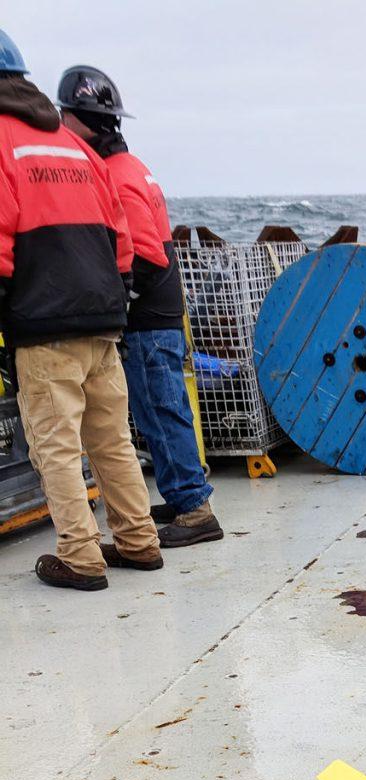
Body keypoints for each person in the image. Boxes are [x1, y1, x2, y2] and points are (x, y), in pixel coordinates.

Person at [0, 31, 161, 590]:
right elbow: (121, 235)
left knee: (58, 446)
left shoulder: (1, 142)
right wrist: (112, 298)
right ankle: (139, 541)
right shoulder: (75, 148)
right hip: (103, 320)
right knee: (112, 440)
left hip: (44, 324)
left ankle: (81, 557)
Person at [57, 65, 221, 549]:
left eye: (66, 116)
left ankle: (194, 509)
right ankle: (182, 494)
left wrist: (114, 300)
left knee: (159, 410)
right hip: (165, 311)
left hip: (148, 316)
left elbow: (145, 255)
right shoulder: (135, 167)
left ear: (81, 120)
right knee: (162, 408)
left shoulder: (113, 175)